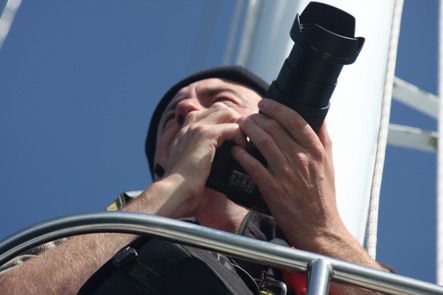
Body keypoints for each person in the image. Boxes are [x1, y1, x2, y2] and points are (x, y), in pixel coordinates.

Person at [0, 66, 388, 294]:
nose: (187, 108)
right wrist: (167, 194)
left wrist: (321, 229)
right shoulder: (79, 243)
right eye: (172, 118)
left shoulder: (312, 265)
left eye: (220, 98)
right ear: (160, 162)